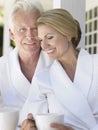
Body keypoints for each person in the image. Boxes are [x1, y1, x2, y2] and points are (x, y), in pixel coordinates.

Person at [20, 8, 98, 130]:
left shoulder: (96, 64)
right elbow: (27, 123)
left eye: (49, 37)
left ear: (67, 35)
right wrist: (28, 126)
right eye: (41, 40)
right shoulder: (42, 78)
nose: (44, 46)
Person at [0, 0, 52, 128]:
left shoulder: (57, 64)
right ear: (12, 33)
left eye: (35, 28)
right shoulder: (1, 67)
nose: (30, 35)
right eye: (22, 29)